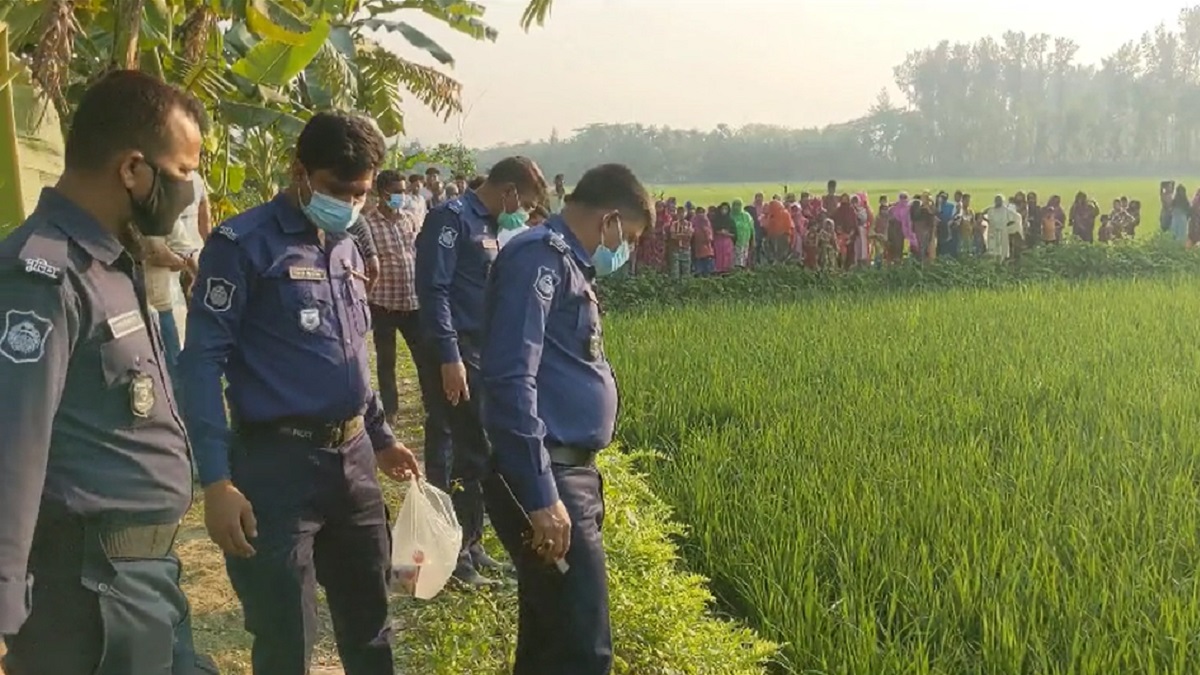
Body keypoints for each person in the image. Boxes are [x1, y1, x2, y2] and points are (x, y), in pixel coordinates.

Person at [180, 111, 421, 675]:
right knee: (285, 632)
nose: (351, 204)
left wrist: (381, 436)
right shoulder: (242, 246)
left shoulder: (344, 245)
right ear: (300, 173)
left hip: (355, 462)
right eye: (339, 190)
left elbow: (350, 351)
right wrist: (216, 481)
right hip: (277, 466)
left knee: (370, 622)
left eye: (360, 194)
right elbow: (200, 365)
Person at [0, 70, 215, 675]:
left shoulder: (111, 263)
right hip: (89, 592)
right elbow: (12, 447)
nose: (189, 190)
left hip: (142, 580)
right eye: (182, 172)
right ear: (131, 169)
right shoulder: (44, 276)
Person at [479, 163, 651, 675]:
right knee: (581, 645)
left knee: (550, 637)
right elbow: (511, 379)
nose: (628, 250)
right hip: (549, 473)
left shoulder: (567, 263)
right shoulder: (540, 259)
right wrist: (541, 495)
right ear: (612, 221)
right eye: (632, 238)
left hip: (568, 472)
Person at [414, 156, 547, 587]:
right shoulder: (450, 219)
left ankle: (471, 545)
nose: (523, 212)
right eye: (523, 202)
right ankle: (450, 559)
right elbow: (434, 290)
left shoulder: (487, 224)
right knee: (453, 451)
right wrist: (449, 356)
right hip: (452, 351)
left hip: (478, 351)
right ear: (507, 190)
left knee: (475, 452)